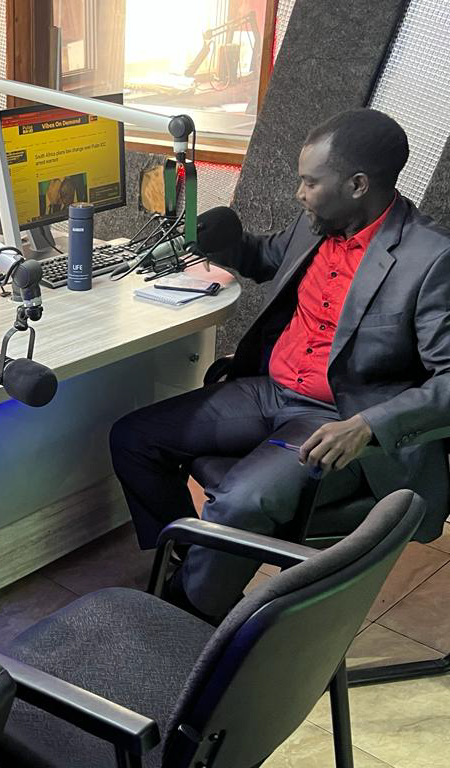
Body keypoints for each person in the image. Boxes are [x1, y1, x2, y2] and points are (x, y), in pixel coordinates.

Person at [110, 108, 450, 621]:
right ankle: (188, 564)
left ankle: (183, 619)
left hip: (338, 417)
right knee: (133, 439)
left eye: (311, 182)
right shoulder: (322, 221)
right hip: (271, 390)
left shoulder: (431, 258)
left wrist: (366, 426)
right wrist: (217, 236)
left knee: (240, 503)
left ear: (357, 185)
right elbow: (264, 257)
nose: (299, 193)